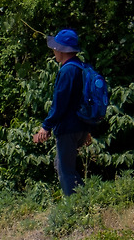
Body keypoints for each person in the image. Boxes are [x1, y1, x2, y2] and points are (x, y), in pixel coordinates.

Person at [32, 29, 91, 196]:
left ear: (62, 49)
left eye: (55, 48)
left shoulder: (67, 71)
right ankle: (82, 201)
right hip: (81, 126)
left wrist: (46, 126)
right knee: (60, 165)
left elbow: (60, 104)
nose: (53, 51)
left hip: (68, 128)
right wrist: (87, 129)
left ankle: (78, 204)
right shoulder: (81, 67)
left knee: (66, 171)